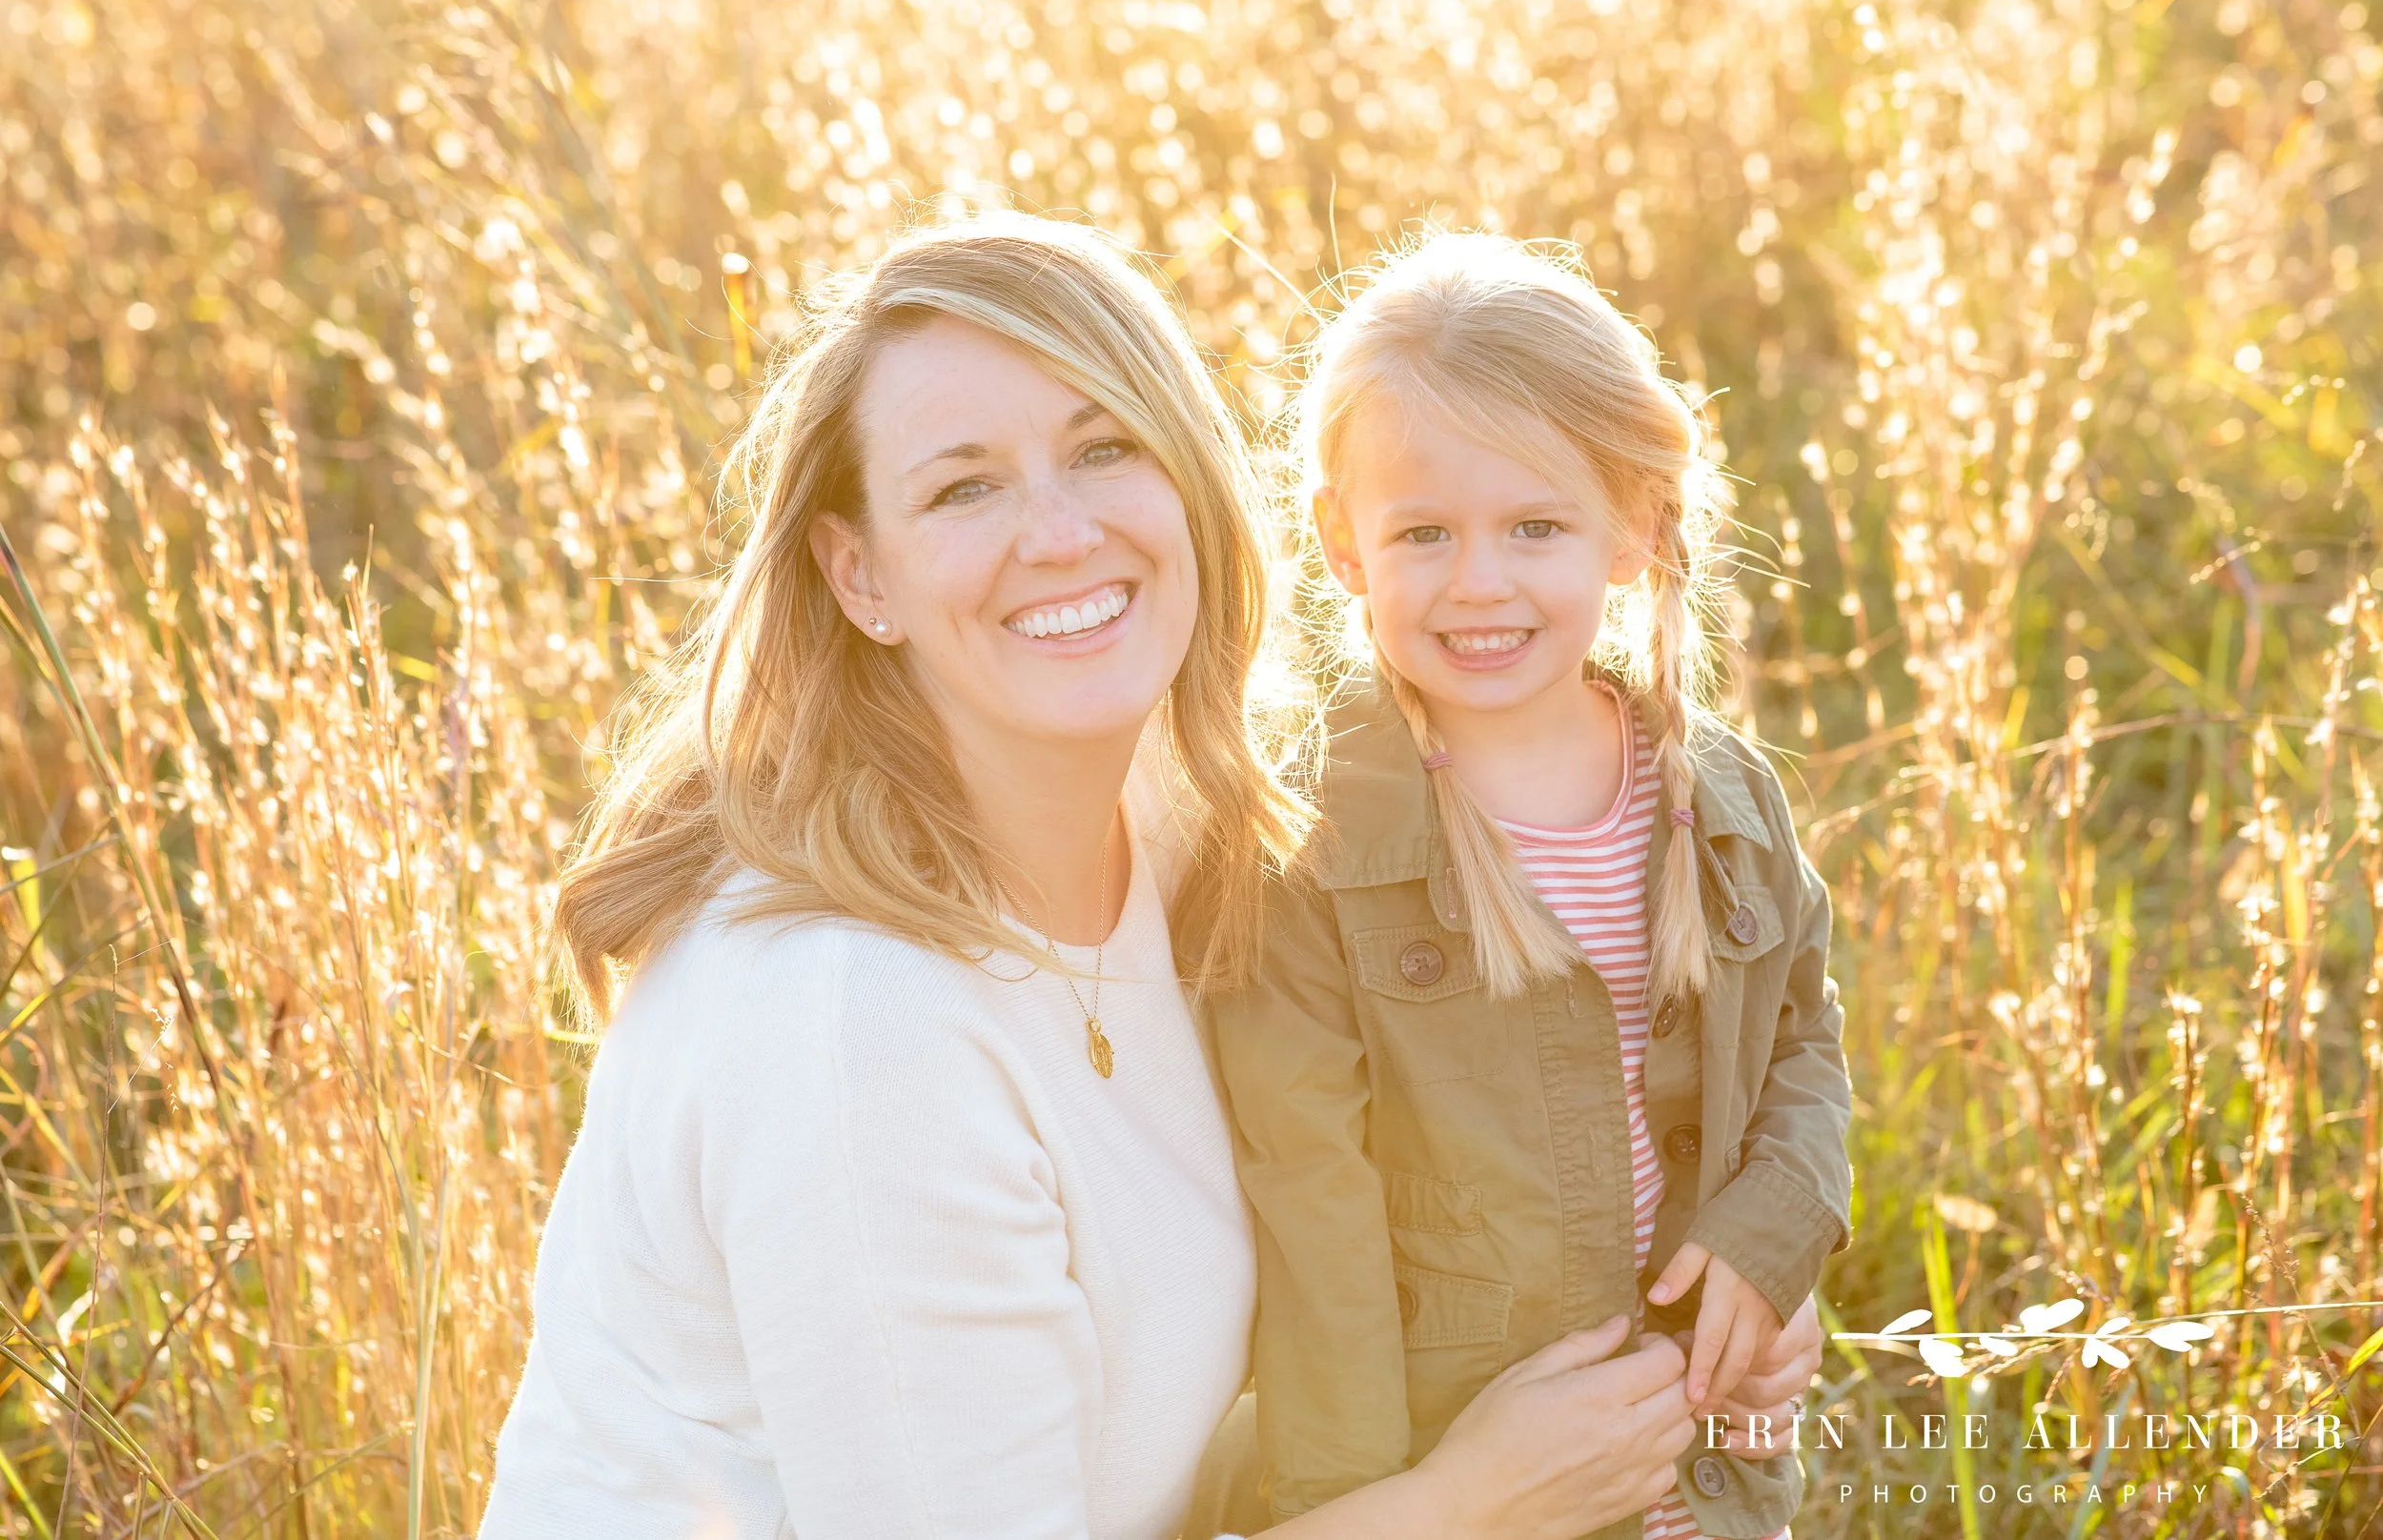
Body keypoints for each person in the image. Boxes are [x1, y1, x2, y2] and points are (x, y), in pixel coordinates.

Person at [477, 213, 1814, 1540]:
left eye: (1103, 447)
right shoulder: (855, 1029)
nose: (1058, 533)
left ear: (1193, 478)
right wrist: (1467, 1503)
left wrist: (1722, 1288)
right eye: (964, 487)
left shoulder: (1194, 820)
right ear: (859, 573)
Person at [1209, 231, 1854, 1538]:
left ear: (1634, 528)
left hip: (1707, 1469)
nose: (1480, 582)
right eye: (1426, 532)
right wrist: (1373, 1506)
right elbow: (1314, 1219)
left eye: (1536, 525)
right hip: (1485, 1479)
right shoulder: (1308, 847)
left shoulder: (1718, 801)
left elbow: (1803, 1035)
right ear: (1342, 543)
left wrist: (1774, 1234)